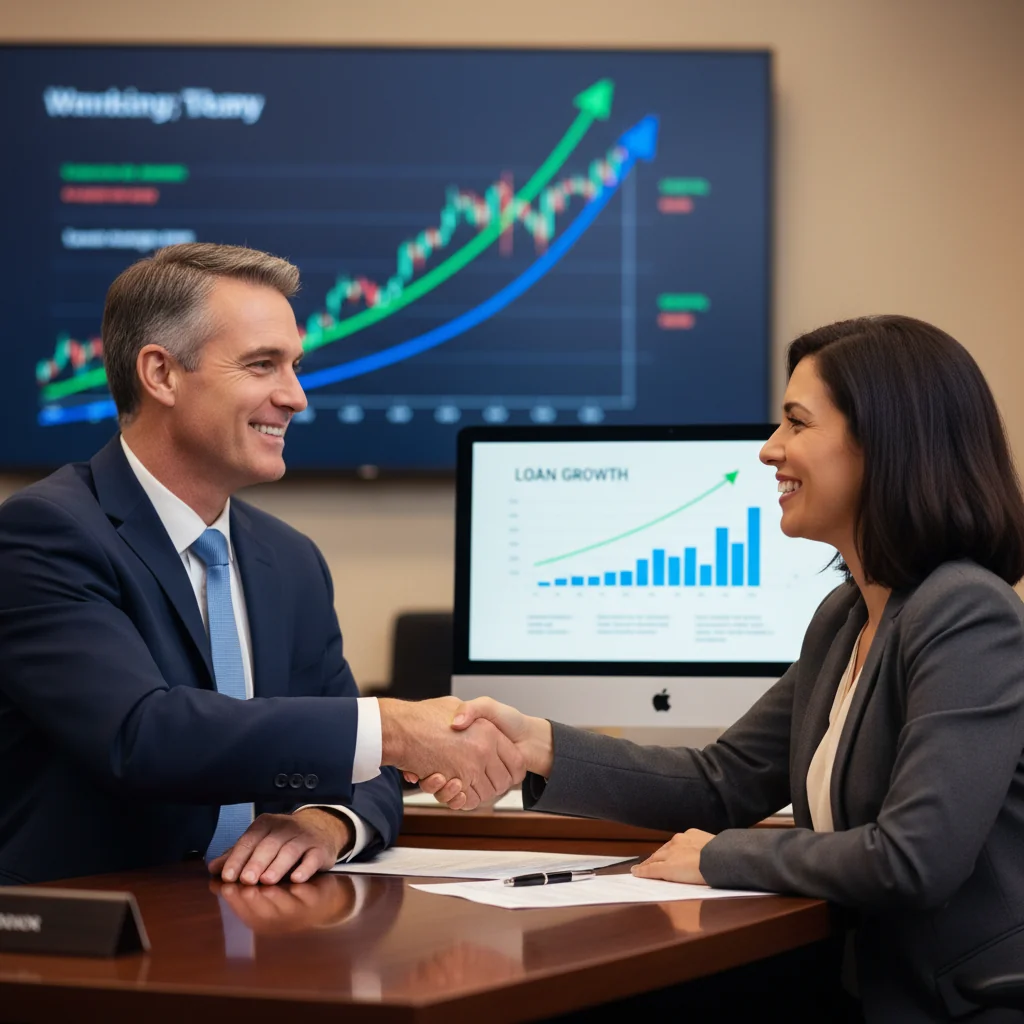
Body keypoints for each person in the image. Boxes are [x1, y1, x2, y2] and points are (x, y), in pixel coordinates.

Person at [421, 316, 1024, 1022]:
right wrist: (536, 743)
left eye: (797, 423)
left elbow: (914, 859)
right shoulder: (846, 615)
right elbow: (722, 783)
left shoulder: (966, 614)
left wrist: (720, 859)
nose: (771, 450)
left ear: (883, 445)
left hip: (946, 1005)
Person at [0, 243, 523, 887]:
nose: (297, 396)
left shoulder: (290, 560)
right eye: (262, 365)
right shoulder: (44, 533)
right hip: (90, 944)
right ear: (161, 374)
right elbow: (140, 736)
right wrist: (392, 726)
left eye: (295, 366)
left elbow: (370, 768)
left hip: (256, 931)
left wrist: (328, 822)